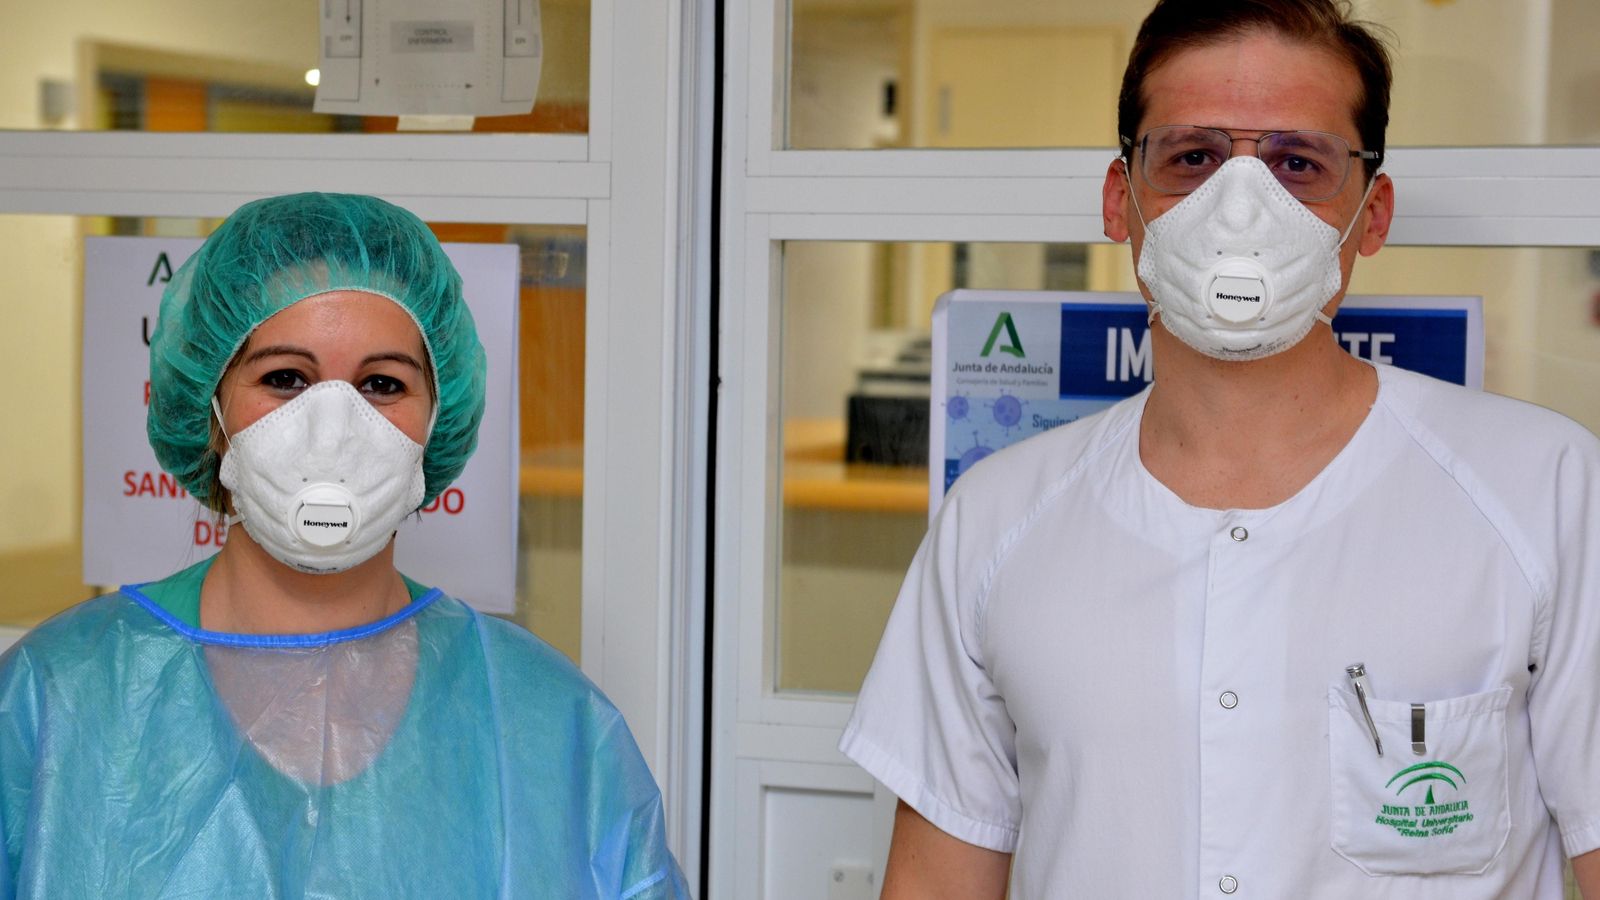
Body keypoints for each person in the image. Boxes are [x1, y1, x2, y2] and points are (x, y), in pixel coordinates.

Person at [839, 1, 1600, 898]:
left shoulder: (1543, 492)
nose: (1242, 208)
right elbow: (937, 880)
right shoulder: (998, 521)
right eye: (1193, 158)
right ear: (1122, 199)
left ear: (1372, 212)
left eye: (1297, 164)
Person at [0, 192, 689, 898]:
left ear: (436, 422)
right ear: (210, 412)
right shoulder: (53, 704)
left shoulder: (549, 726)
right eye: (285, 379)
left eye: (382, 384)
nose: (332, 427)